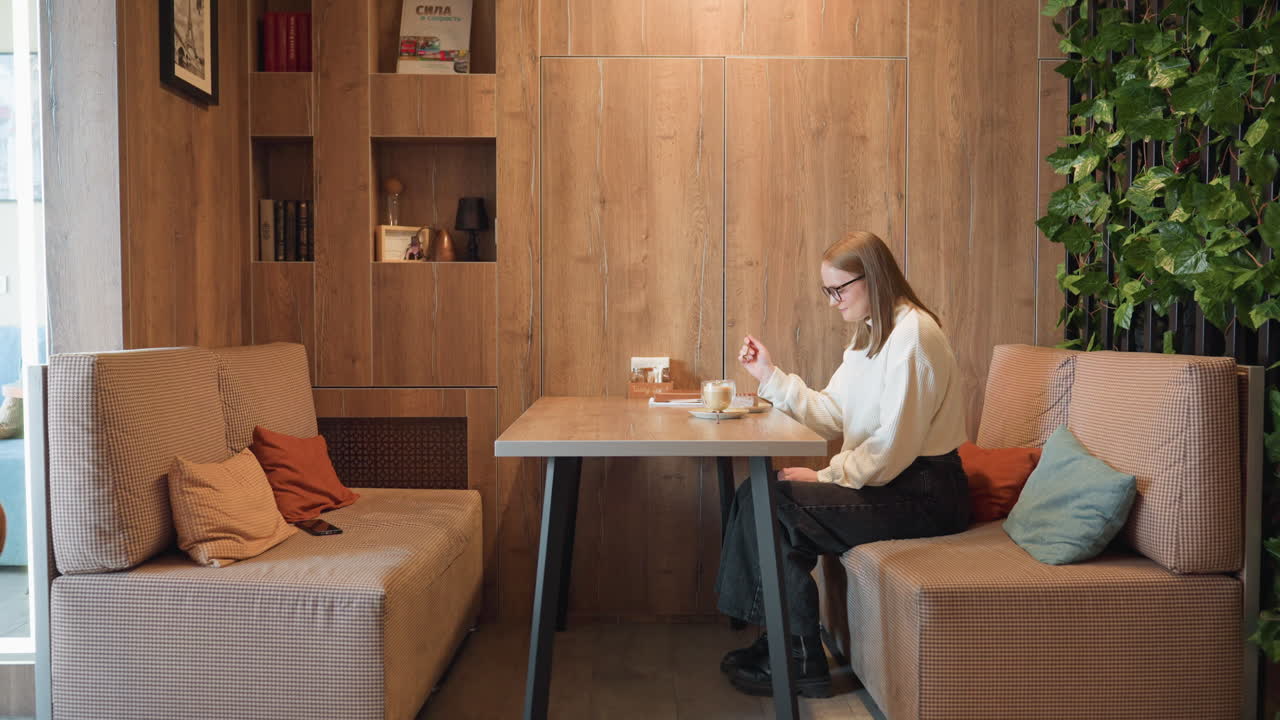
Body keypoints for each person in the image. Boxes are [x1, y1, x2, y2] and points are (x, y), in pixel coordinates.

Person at [716, 230, 970, 698]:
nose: (833, 301)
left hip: (925, 493)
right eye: (827, 291)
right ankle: (787, 647)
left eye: (839, 289)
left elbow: (891, 447)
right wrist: (768, 375)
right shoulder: (869, 336)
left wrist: (826, 475)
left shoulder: (913, 336)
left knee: (769, 501)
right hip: (893, 483)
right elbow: (833, 412)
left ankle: (796, 657)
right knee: (759, 494)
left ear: (872, 277)